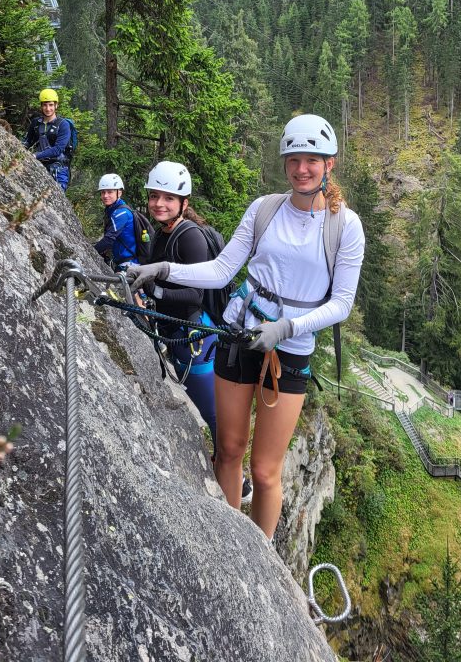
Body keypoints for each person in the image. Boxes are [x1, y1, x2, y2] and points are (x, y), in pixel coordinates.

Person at [126, 115, 365, 538]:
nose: (301, 168)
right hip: (240, 332)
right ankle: (227, 544)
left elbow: (342, 303)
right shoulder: (265, 209)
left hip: (288, 350)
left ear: (330, 164)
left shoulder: (345, 226)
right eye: (294, 159)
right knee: (229, 449)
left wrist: (288, 328)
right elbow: (220, 271)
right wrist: (163, 269)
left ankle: (262, 565)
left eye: (312, 160)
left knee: (266, 469)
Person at [142, 161, 220, 458]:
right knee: (205, 405)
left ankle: (236, 477)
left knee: (210, 410)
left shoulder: (189, 237)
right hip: (178, 333)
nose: (159, 203)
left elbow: (197, 294)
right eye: (154, 196)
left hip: (194, 335)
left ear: (183, 203)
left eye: (168, 198)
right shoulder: (163, 232)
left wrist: (156, 290)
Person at [23, 88, 71, 191]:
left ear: (56, 105)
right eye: (45, 105)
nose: (48, 108)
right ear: (41, 106)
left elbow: (58, 149)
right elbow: (28, 141)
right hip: (39, 165)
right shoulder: (36, 123)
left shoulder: (63, 125)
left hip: (58, 168)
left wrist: (36, 155)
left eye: (50, 105)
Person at [94, 174, 141, 271]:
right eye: (103, 192)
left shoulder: (121, 213)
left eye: (110, 192)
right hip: (123, 263)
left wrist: (90, 251)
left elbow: (109, 239)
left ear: (119, 193)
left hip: (129, 265)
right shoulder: (113, 210)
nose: (105, 196)